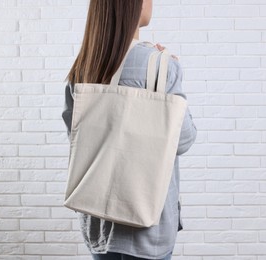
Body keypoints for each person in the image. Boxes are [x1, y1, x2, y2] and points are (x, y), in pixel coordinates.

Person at [61, 0, 197, 259]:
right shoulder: (162, 65)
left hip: (98, 221)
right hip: (147, 224)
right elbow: (184, 140)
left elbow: (78, 140)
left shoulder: (82, 69)